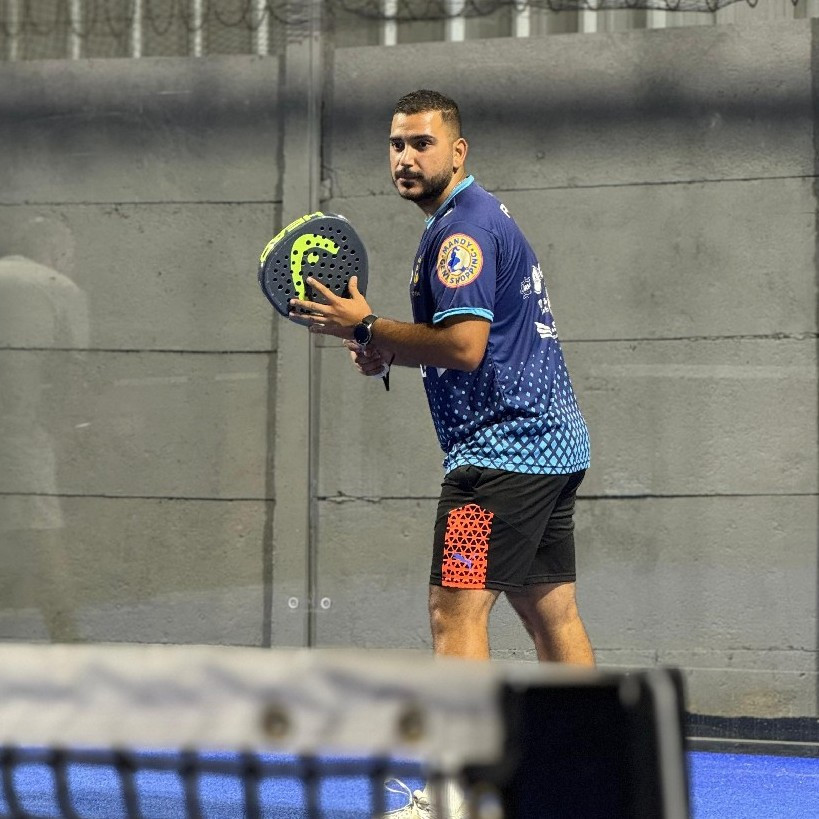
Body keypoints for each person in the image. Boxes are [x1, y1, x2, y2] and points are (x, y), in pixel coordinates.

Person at [290, 90, 594, 817]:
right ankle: (590, 771)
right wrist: (381, 343)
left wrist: (368, 326)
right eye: (396, 144)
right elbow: (463, 340)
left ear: (457, 151)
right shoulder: (466, 220)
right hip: (549, 451)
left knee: (452, 609)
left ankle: (459, 791)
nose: (405, 157)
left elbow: (463, 346)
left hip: (498, 465)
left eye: (421, 144)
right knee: (549, 608)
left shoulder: (461, 233)